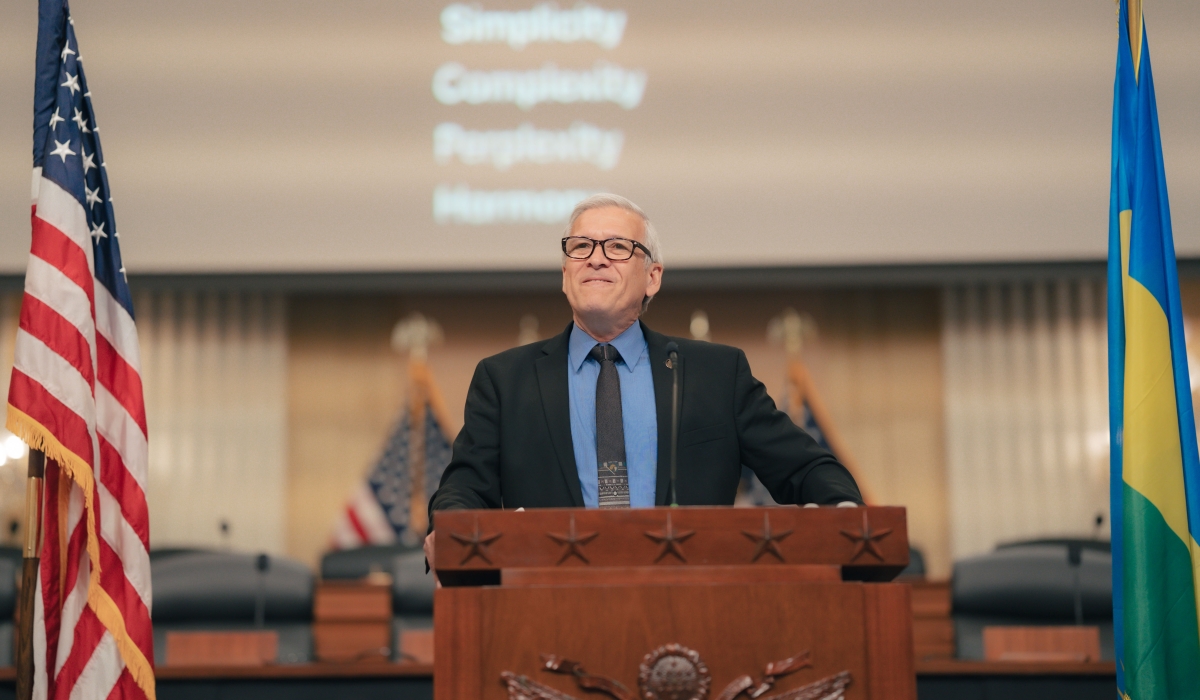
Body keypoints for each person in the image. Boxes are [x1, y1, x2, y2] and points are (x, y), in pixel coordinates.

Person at [424, 194, 861, 565]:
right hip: (549, 602)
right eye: (580, 246)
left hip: (690, 602)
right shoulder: (505, 380)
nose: (595, 257)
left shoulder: (715, 374)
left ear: (653, 278)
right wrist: (449, 527)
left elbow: (807, 468)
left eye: (617, 246)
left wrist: (842, 510)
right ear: (565, 274)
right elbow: (465, 487)